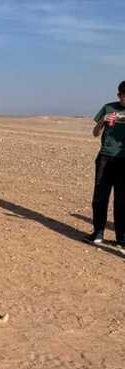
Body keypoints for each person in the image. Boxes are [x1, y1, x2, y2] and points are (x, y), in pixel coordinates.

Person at [88, 81, 125, 251]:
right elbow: (95, 134)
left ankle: (121, 237)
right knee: (100, 197)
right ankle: (98, 232)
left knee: (122, 200)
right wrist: (102, 121)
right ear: (119, 95)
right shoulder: (108, 107)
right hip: (105, 158)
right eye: (124, 96)